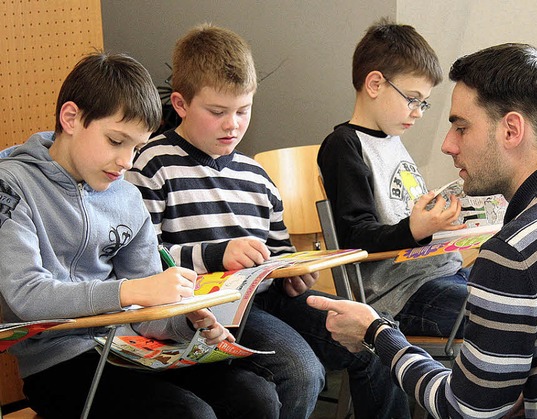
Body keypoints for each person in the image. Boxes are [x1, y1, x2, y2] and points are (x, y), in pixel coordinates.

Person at [308, 43, 537, 418]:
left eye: (461, 127)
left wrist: (375, 333)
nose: (448, 145)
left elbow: (464, 411)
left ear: (511, 129)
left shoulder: (515, 252)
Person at [126, 23, 410, 418]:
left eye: (243, 111)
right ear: (180, 104)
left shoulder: (254, 175)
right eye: (217, 112)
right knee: (301, 372)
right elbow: (144, 260)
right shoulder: (150, 164)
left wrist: (295, 272)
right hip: (208, 310)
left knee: (374, 337)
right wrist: (217, 254)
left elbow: (278, 252)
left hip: (267, 298)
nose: (233, 124)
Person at [0, 52, 269, 419]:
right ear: (71, 118)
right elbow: (27, 296)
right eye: (115, 141)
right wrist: (129, 291)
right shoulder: (12, 184)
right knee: (189, 415)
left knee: (255, 397)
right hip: (59, 363)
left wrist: (186, 321)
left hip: (129, 347)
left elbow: (147, 313)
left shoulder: (126, 196)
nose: (127, 161)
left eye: (136, 147)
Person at [317, 18, 469, 338]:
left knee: (521, 294)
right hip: (399, 293)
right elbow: (355, 236)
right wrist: (415, 230)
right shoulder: (345, 146)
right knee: (494, 317)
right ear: (375, 84)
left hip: (443, 271)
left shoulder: (392, 139)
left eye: (423, 103)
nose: (418, 112)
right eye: (412, 99)